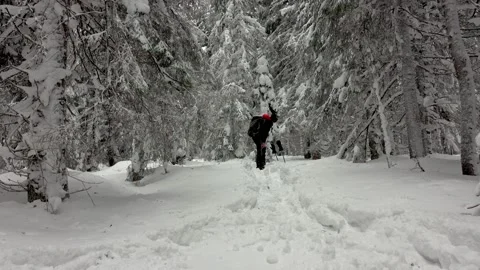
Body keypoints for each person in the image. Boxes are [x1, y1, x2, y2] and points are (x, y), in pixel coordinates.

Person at [248, 104, 278, 170]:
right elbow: (263, 132)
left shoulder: (263, 121)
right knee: (261, 149)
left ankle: (260, 165)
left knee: (260, 149)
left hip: (256, 136)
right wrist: (272, 110)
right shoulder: (267, 122)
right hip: (259, 137)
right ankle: (261, 165)